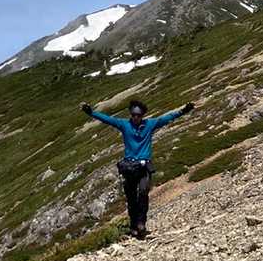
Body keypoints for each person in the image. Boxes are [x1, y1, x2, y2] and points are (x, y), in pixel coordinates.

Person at [80, 97, 195, 239]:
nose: (135, 117)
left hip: (144, 167)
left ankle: (141, 223)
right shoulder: (124, 125)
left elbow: (167, 118)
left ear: (142, 115)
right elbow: (107, 119)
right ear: (131, 114)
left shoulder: (150, 124)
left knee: (143, 192)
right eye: (133, 115)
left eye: (138, 115)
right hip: (129, 167)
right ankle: (133, 226)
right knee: (131, 198)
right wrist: (91, 112)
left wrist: (183, 111)